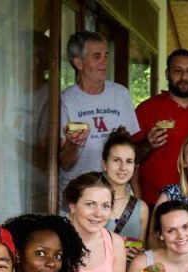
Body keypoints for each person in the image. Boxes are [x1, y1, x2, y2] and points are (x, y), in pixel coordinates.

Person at [58, 31, 139, 211]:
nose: (104, 61)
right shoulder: (66, 99)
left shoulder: (121, 94)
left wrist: (137, 198)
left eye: (106, 56)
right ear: (78, 63)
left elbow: (131, 153)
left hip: (116, 199)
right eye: (97, 56)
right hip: (77, 201)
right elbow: (65, 163)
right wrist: (73, 143)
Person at [133, 49, 188, 205]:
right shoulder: (146, 109)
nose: (184, 77)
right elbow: (129, 157)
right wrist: (148, 145)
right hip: (154, 201)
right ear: (167, 73)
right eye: (178, 71)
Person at [100, 128, 149, 259]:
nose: (123, 168)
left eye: (129, 161)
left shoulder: (142, 208)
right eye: (116, 160)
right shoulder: (88, 201)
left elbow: (140, 252)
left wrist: (138, 253)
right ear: (104, 164)